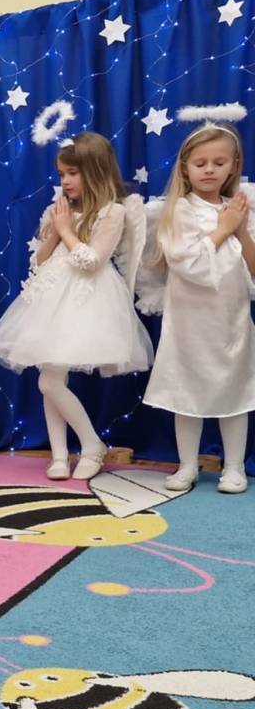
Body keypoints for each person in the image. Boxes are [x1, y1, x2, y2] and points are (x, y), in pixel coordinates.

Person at [0, 132, 152, 481]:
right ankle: (60, 455)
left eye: (73, 173)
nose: (65, 181)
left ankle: (92, 445)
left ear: (95, 170)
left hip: (87, 300)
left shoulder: (113, 211)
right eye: (62, 174)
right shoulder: (61, 210)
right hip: (50, 298)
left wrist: (66, 229)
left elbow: (91, 261)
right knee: (50, 378)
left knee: (49, 382)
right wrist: (55, 229)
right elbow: (39, 261)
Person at [144, 122, 255, 493]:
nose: (209, 170)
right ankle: (188, 465)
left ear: (233, 166)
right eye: (201, 163)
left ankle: (234, 466)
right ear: (185, 167)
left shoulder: (241, 208)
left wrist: (239, 229)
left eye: (219, 163)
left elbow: (253, 266)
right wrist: (223, 229)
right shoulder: (180, 210)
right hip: (190, 320)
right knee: (186, 390)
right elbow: (186, 263)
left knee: (236, 391)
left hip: (231, 319)